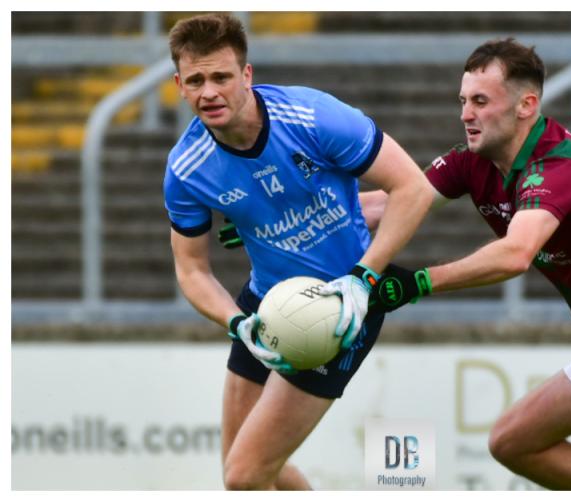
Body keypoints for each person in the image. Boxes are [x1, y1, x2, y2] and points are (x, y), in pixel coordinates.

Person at [361, 38, 571, 490]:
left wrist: (418, 283)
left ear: (527, 105)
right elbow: (390, 205)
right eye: (463, 100)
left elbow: (515, 253)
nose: (466, 113)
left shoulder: (558, 168)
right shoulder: (474, 161)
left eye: (481, 101)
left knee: (511, 440)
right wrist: (285, 215)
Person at [163, 13, 432, 490]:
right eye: (196, 80)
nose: (209, 92)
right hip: (265, 308)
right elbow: (192, 270)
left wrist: (362, 279)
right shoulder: (186, 169)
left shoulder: (312, 117)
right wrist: (236, 323)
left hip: (342, 308)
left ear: (246, 76)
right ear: (179, 85)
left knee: (246, 474)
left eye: (221, 77)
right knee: (241, 473)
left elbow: (413, 188)